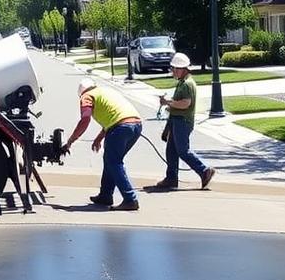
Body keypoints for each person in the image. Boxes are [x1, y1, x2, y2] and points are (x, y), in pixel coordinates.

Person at [64, 77, 142, 211]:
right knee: (110, 160)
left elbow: (85, 119)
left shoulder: (87, 96)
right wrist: (99, 138)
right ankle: (105, 195)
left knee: (113, 162)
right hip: (135, 125)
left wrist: (71, 140)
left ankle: (130, 199)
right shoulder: (104, 91)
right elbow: (113, 116)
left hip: (120, 127)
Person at [149, 52, 216, 190]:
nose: (173, 71)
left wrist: (168, 102)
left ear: (183, 69)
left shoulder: (187, 84)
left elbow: (186, 103)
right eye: (173, 68)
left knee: (182, 151)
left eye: (175, 68)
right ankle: (171, 178)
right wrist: (168, 124)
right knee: (171, 151)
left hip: (183, 121)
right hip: (177, 120)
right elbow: (179, 105)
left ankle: (204, 170)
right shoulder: (182, 83)